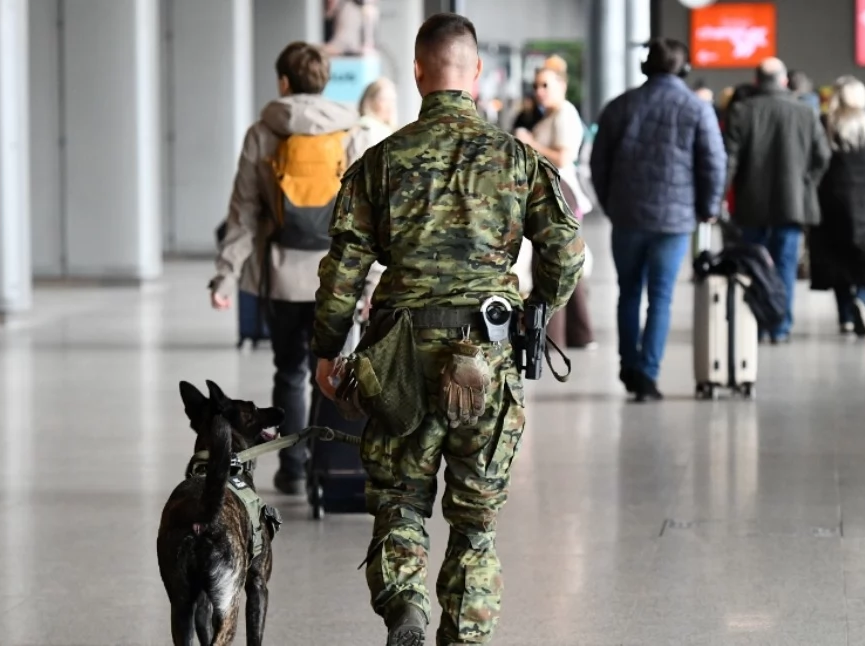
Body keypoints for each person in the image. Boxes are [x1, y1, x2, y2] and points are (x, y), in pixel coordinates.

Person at [311, 13, 584, 646]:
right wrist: (536, 312)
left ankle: (406, 607)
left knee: (400, 501)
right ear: (477, 72)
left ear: (417, 72)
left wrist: (326, 350)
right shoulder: (518, 159)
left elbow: (343, 269)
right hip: (487, 358)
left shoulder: (381, 162)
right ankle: (464, 635)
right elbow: (567, 252)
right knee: (475, 521)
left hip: (398, 359)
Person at [209, 41, 359, 495]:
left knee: (289, 371)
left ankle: (292, 467)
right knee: (332, 374)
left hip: (279, 276)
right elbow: (365, 215)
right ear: (324, 81)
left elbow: (243, 213)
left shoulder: (261, 133)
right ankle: (326, 468)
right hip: (335, 279)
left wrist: (226, 276)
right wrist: (371, 281)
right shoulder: (350, 132)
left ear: (283, 82)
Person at [590, 37, 725, 401]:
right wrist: (708, 208)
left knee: (628, 292)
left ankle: (628, 364)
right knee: (661, 297)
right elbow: (713, 163)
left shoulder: (620, 106)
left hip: (627, 215)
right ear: (685, 69)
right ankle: (648, 375)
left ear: (645, 66)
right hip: (675, 220)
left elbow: (599, 162)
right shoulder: (697, 108)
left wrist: (610, 203)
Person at [725, 57, 832, 343]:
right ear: (784, 81)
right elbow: (823, 156)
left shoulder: (741, 111)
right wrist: (806, 183)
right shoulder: (805, 111)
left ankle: (758, 323)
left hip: (751, 203)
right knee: (785, 264)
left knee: (755, 264)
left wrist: (719, 197)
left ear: (757, 81)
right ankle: (780, 325)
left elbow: (730, 160)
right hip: (792, 202)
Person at [809, 76, 865, 337]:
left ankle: (845, 316)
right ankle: (862, 299)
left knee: (837, 259)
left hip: (832, 202)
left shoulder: (824, 125)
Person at [516, 64, 595, 350]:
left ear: (562, 86)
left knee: (551, 266)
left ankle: (553, 338)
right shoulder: (550, 116)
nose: (540, 91)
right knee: (562, 264)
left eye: (545, 85)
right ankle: (576, 334)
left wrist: (529, 143)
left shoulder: (564, 115)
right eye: (537, 86)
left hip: (560, 195)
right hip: (551, 194)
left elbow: (562, 158)